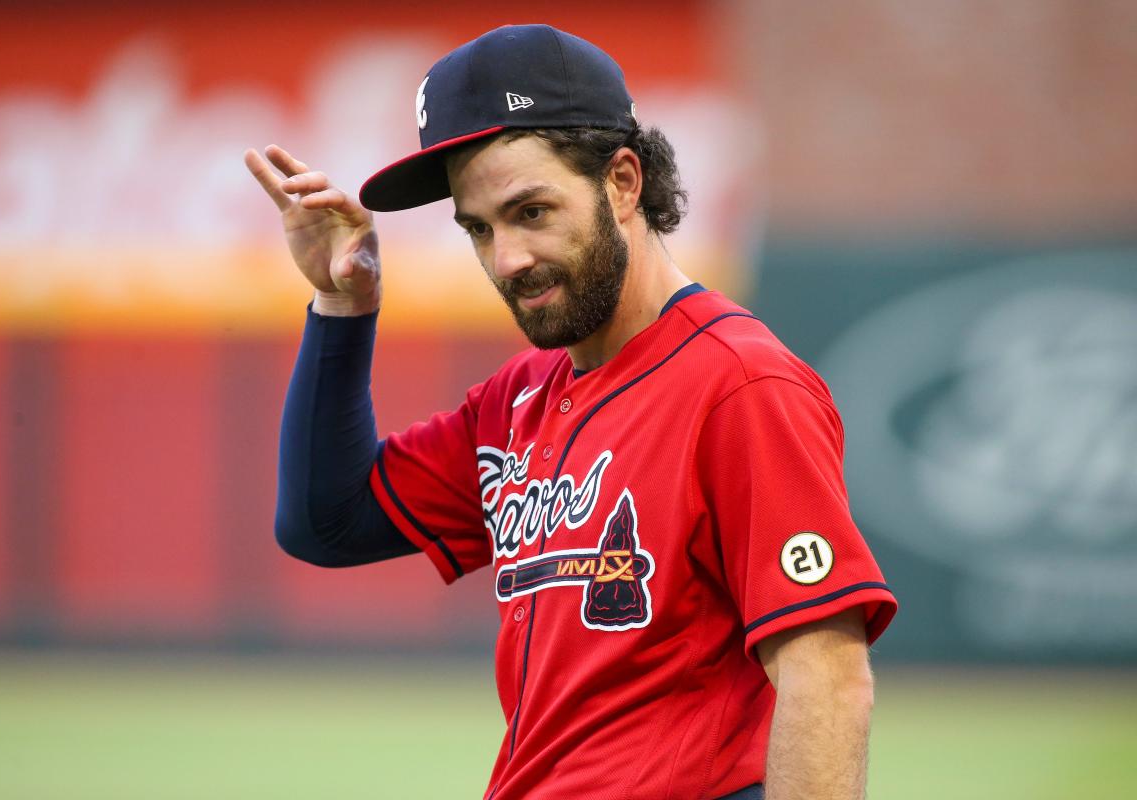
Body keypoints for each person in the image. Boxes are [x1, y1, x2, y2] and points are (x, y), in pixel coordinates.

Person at [244, 23, 896, 800]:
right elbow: (326, 520)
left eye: (531, 212)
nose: (506, 259)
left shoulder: (741, 386)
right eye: (479, 229)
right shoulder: (518, 399)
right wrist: (340, 303)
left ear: (623, 182)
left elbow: (826, 677)